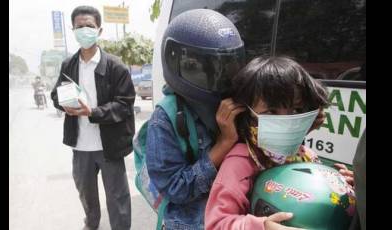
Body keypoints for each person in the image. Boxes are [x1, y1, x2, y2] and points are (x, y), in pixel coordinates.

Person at [145, 9, 246, 229]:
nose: (220, 77)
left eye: (226, 66)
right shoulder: (165, 118)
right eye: (204, 67)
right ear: (176, 62)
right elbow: (174, 189)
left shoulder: (236, 104)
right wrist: (223, 144)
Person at [205, 56, 330, 230]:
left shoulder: (304, 155)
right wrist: (263, 226)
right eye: (271, 111)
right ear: (247, 114)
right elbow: (217, 224)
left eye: (296, 110)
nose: (286, 121)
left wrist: (341, 186)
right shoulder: (240, 162)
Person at [50, 6, 135, 230]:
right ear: (72, 30)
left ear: (99, 30)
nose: (84, 30)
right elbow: (55, 94)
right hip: (80, 147)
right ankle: (92, 225)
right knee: (87, 197)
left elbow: (125, 104)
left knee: (118, 199)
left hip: (108, 146)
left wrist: (93, 112)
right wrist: (64, 103)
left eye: (89, 26)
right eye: (79, 27)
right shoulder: (68, 64)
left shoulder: (116, 66)